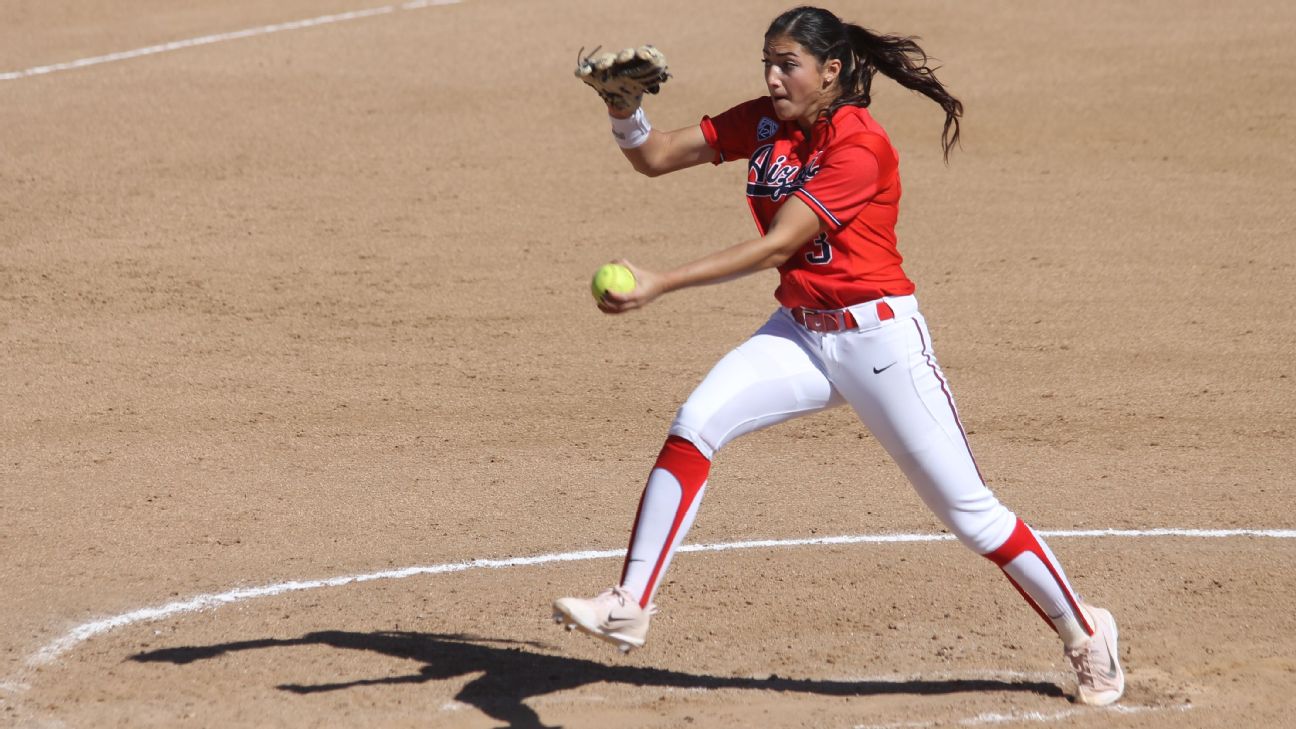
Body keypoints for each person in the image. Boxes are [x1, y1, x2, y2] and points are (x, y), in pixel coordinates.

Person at [553, 6, 1125, 707]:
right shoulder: (767, 120)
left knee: (972, 514)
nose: (772, 75)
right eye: (767, 59)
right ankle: (630, 602)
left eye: (787, 63)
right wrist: (624, 110)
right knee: (696, 420)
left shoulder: (861, 145)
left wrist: (661, 282)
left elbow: (776, 245)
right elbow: (657, 156)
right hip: (801, 331)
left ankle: (1086, 630)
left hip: (880, 345)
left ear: (831, 70)